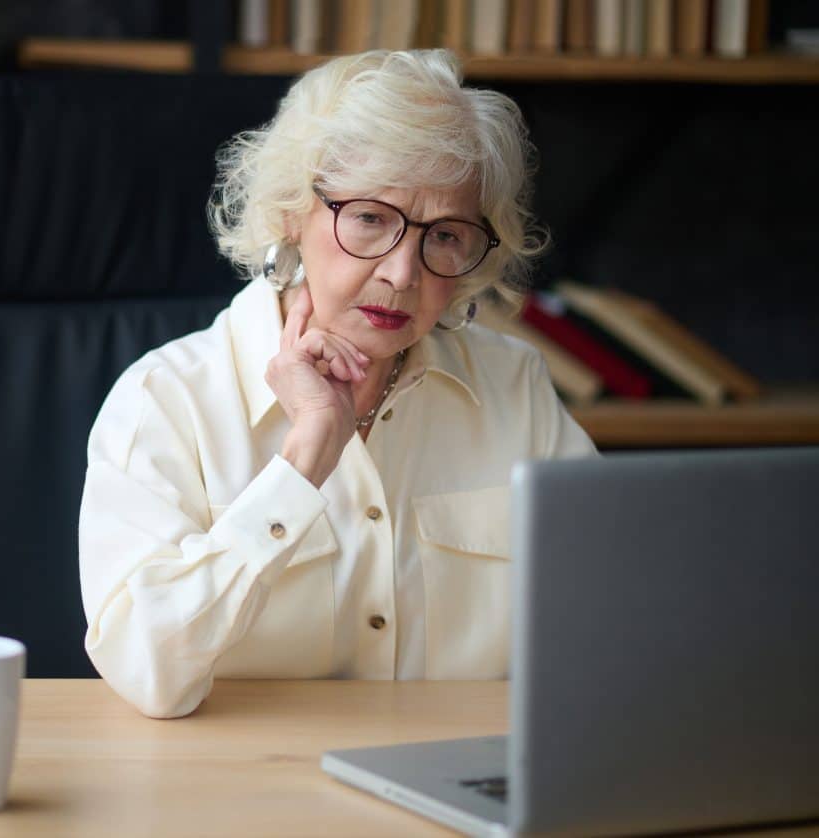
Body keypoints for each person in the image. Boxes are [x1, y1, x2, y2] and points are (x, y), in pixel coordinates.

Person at [78, 49, 596, 719]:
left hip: (464, 785)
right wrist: (302, 466)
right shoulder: (167, 399)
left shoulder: (513, 387)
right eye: (371, 219)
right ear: (293, 213)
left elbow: (610, 611)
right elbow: (146, 671)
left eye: (444, 235)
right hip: (247, 797)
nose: (403, 273)